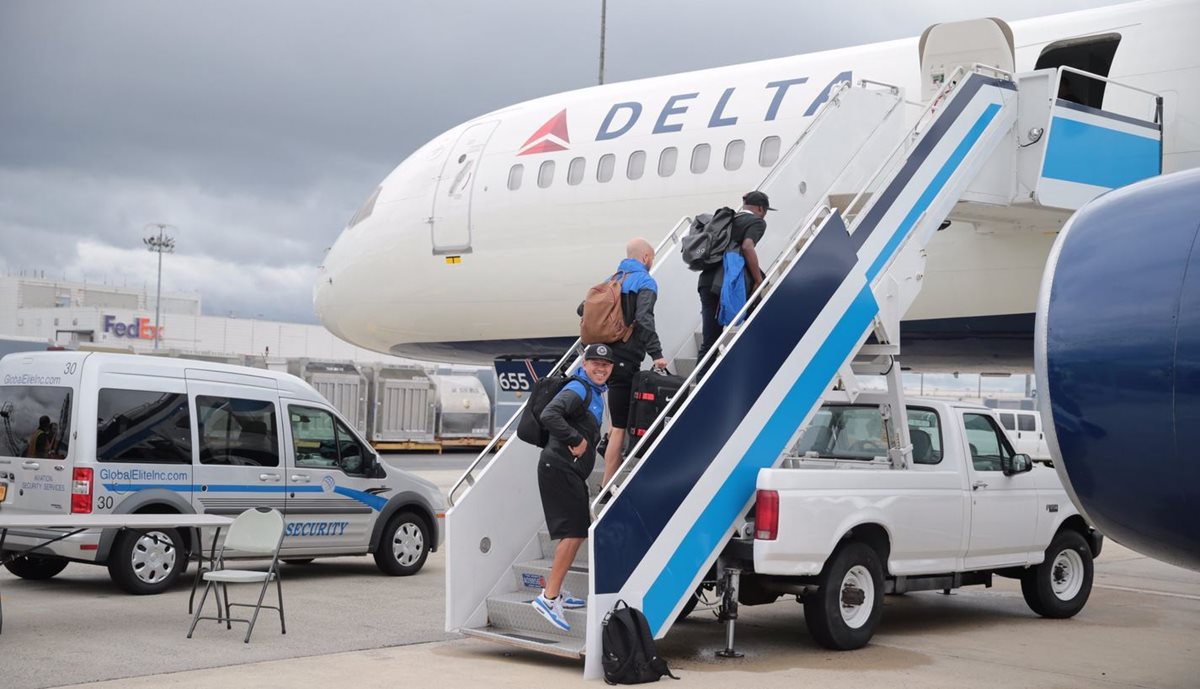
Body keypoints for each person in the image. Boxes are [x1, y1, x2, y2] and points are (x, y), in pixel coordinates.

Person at [531, 343, 613, 632]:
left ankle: (557, 590)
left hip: (567, 470)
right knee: (575, 532)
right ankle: (548, 598)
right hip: (560, 466)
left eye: (606, 366)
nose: (600, 369)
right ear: (585, 365)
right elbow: (550, 414)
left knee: (573, 533)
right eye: (595, 364)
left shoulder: (596, 393)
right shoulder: (579, 388)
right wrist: (576, 440)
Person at [582, 237, 668, 486]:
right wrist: (657, 354)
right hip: (624, 360)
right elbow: (643, 318)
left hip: (603, 356)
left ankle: (610, 469)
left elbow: (582, 309)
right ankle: (607, 485)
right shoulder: (645, 281)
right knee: (620, 426)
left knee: (615, 420)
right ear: (645, 258)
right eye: (651, 257)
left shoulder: (612, 279)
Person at [697, 190, 774, 357]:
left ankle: (700, 379)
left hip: (706, 282)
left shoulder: (727, 221)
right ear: (760, 209)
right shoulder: (756, 222)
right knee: (759, 320)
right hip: (726, 283)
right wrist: (758, 279)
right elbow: (747, 246)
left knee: (710, 341)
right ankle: (756, 360)